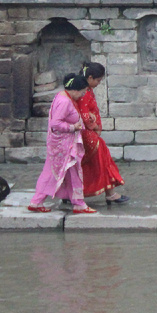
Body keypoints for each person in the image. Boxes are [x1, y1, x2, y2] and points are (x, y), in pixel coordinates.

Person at [28, 73, 96, 214]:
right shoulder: (65, 102)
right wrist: (73, 127)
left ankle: (37, 201)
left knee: (53, 172)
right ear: (75, 90)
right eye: (82, 92)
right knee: (70, 173)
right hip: (65, 145)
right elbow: (56, 123)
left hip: (60, 144)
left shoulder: (62, 95)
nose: (83, 95)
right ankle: (79, 204)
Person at [78, 62, 128, 205]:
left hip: (89, 133)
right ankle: (110, 194)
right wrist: (94, 126)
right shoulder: (83, 92)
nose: (99, 83)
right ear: (90, 77)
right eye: (98, 80)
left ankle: (72, 192)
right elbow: (83, 114)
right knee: (101, 160)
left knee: (93, 162)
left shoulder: (87, 90)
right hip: (87, 135)